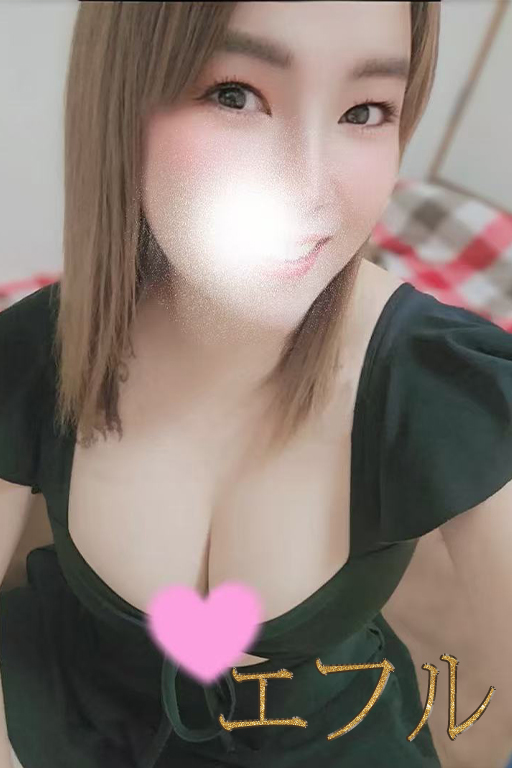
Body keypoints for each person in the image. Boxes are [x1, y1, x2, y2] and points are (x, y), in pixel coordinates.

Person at [1, 2, 511, 767]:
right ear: (122, 97)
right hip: (68, 713)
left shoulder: (441, 383)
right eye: (234, 95)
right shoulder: (38, 349)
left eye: (364, 111)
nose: (308, 186)